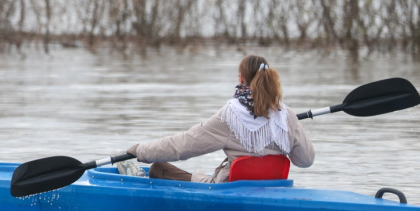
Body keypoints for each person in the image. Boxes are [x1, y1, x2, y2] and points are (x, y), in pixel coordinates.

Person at [118, 54, 314, 182]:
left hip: (226, 191)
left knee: (158, 168)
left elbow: (183, 145)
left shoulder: (231, 115)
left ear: (241, 79)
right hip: (272, 190)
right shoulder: (286, 116)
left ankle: (134, 174)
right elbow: (305, 160)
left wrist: (141, 150)